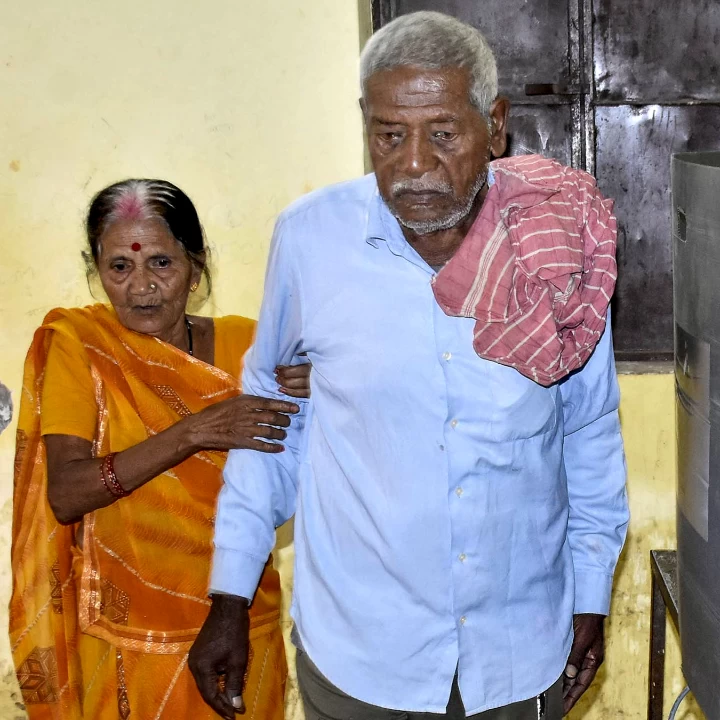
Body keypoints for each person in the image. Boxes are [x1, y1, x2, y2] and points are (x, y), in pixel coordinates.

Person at [189, 11, 629, 720]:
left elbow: (589, 435)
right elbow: (270, 418)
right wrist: (231, 594)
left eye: (444, 135)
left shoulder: (557, 252)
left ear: (496, 125)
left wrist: (590, 595)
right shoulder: (311, 242)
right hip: (362, 657)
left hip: (518, 652)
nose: (414, 163)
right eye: (389, 135)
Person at [9, 179, 310, 720]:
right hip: (129, 641)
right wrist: (193, 431)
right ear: (96, 269)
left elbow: (316, 463)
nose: (141, 286)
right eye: (119, 267)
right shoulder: (82, 347)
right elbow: (67, 494)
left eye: (162, 264)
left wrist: (327, 389)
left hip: (242, 623)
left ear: (196, 269)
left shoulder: (254, 346)